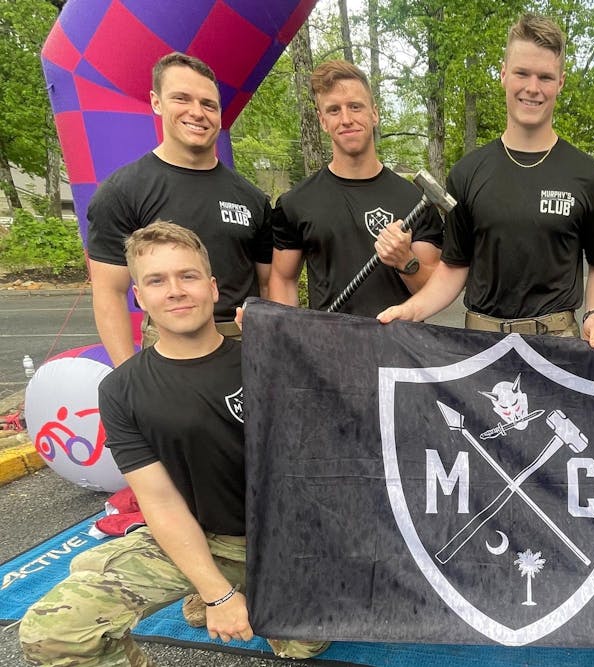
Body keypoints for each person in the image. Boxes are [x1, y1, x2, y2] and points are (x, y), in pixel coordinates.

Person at [19, 222, 328, 665]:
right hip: (197, 536)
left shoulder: (268, 358)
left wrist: (291, 350)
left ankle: (247, 592)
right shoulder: (122, 389)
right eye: (157, 281)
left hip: (285, 540)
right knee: (53, 632)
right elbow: (159, 501)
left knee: (302, 648)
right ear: (140, 298)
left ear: (213, 287)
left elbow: (334, 450)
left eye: (188, 276)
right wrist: (216, 593)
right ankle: (216, 588)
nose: (176, 291)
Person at [378, 14, 594, 347]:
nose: (532, 88)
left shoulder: (589, 177)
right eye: (522, 73)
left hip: (560, 346)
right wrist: (412, 309)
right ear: (504, 74)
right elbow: (453, 268)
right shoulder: (465, 174)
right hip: (480, 347)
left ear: (560, 82)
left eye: (545, 77)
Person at [87, 52, 272, 367]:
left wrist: (272, 352)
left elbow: (268, 285)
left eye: (208, 104)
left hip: (243, 346)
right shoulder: (122, 191)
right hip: (165, 348)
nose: (197, 113)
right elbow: (109, 294)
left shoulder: (252, 198)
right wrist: (128, 377)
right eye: (182, 99)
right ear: (156, 102)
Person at [269, 60, 443, 315]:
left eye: (355, 107)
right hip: (329, 347)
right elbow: (282, 280)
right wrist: (288, 337)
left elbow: (434, 290)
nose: (346, 119)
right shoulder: (296, 203)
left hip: (400, 347)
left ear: (374, 113)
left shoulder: (415, 200)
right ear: (322, 120)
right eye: (334, 110)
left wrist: (405, 260)